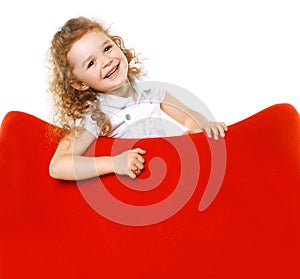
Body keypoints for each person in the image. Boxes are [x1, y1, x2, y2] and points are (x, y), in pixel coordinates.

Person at [48, 16, 227, 181]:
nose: (106, 61)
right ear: (79, 84)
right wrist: (113, 163)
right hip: (137, 185)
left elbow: (188, 116)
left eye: (107, 48)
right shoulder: (97, 114)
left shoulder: (148, 89)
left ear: (117, 44)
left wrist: (203, 125)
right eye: (91, 63)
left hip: (167, 169)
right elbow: (58, 166)